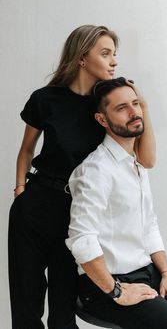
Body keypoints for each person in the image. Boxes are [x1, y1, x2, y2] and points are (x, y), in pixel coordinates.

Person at [8, 25, 157, 329]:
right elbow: (26, 149)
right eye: (105, 53)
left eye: (115, 54)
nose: (113, 60)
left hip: (77, 214)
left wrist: (143, 104)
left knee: (63, 309)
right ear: (81, 58)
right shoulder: (45, 98)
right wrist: (21, 189)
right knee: (25, 303)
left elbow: (146, 159)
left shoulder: (106, 106)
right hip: (34, 207)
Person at [66, 77, 167, 329]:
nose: (133, 112)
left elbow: (149, 225)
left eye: (135, 104)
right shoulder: (97, 170)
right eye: (121, 108)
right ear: (102, 120)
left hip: (144, 271)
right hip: (106, 287)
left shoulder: (135, 165)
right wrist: (117, 291)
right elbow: (81, 239)